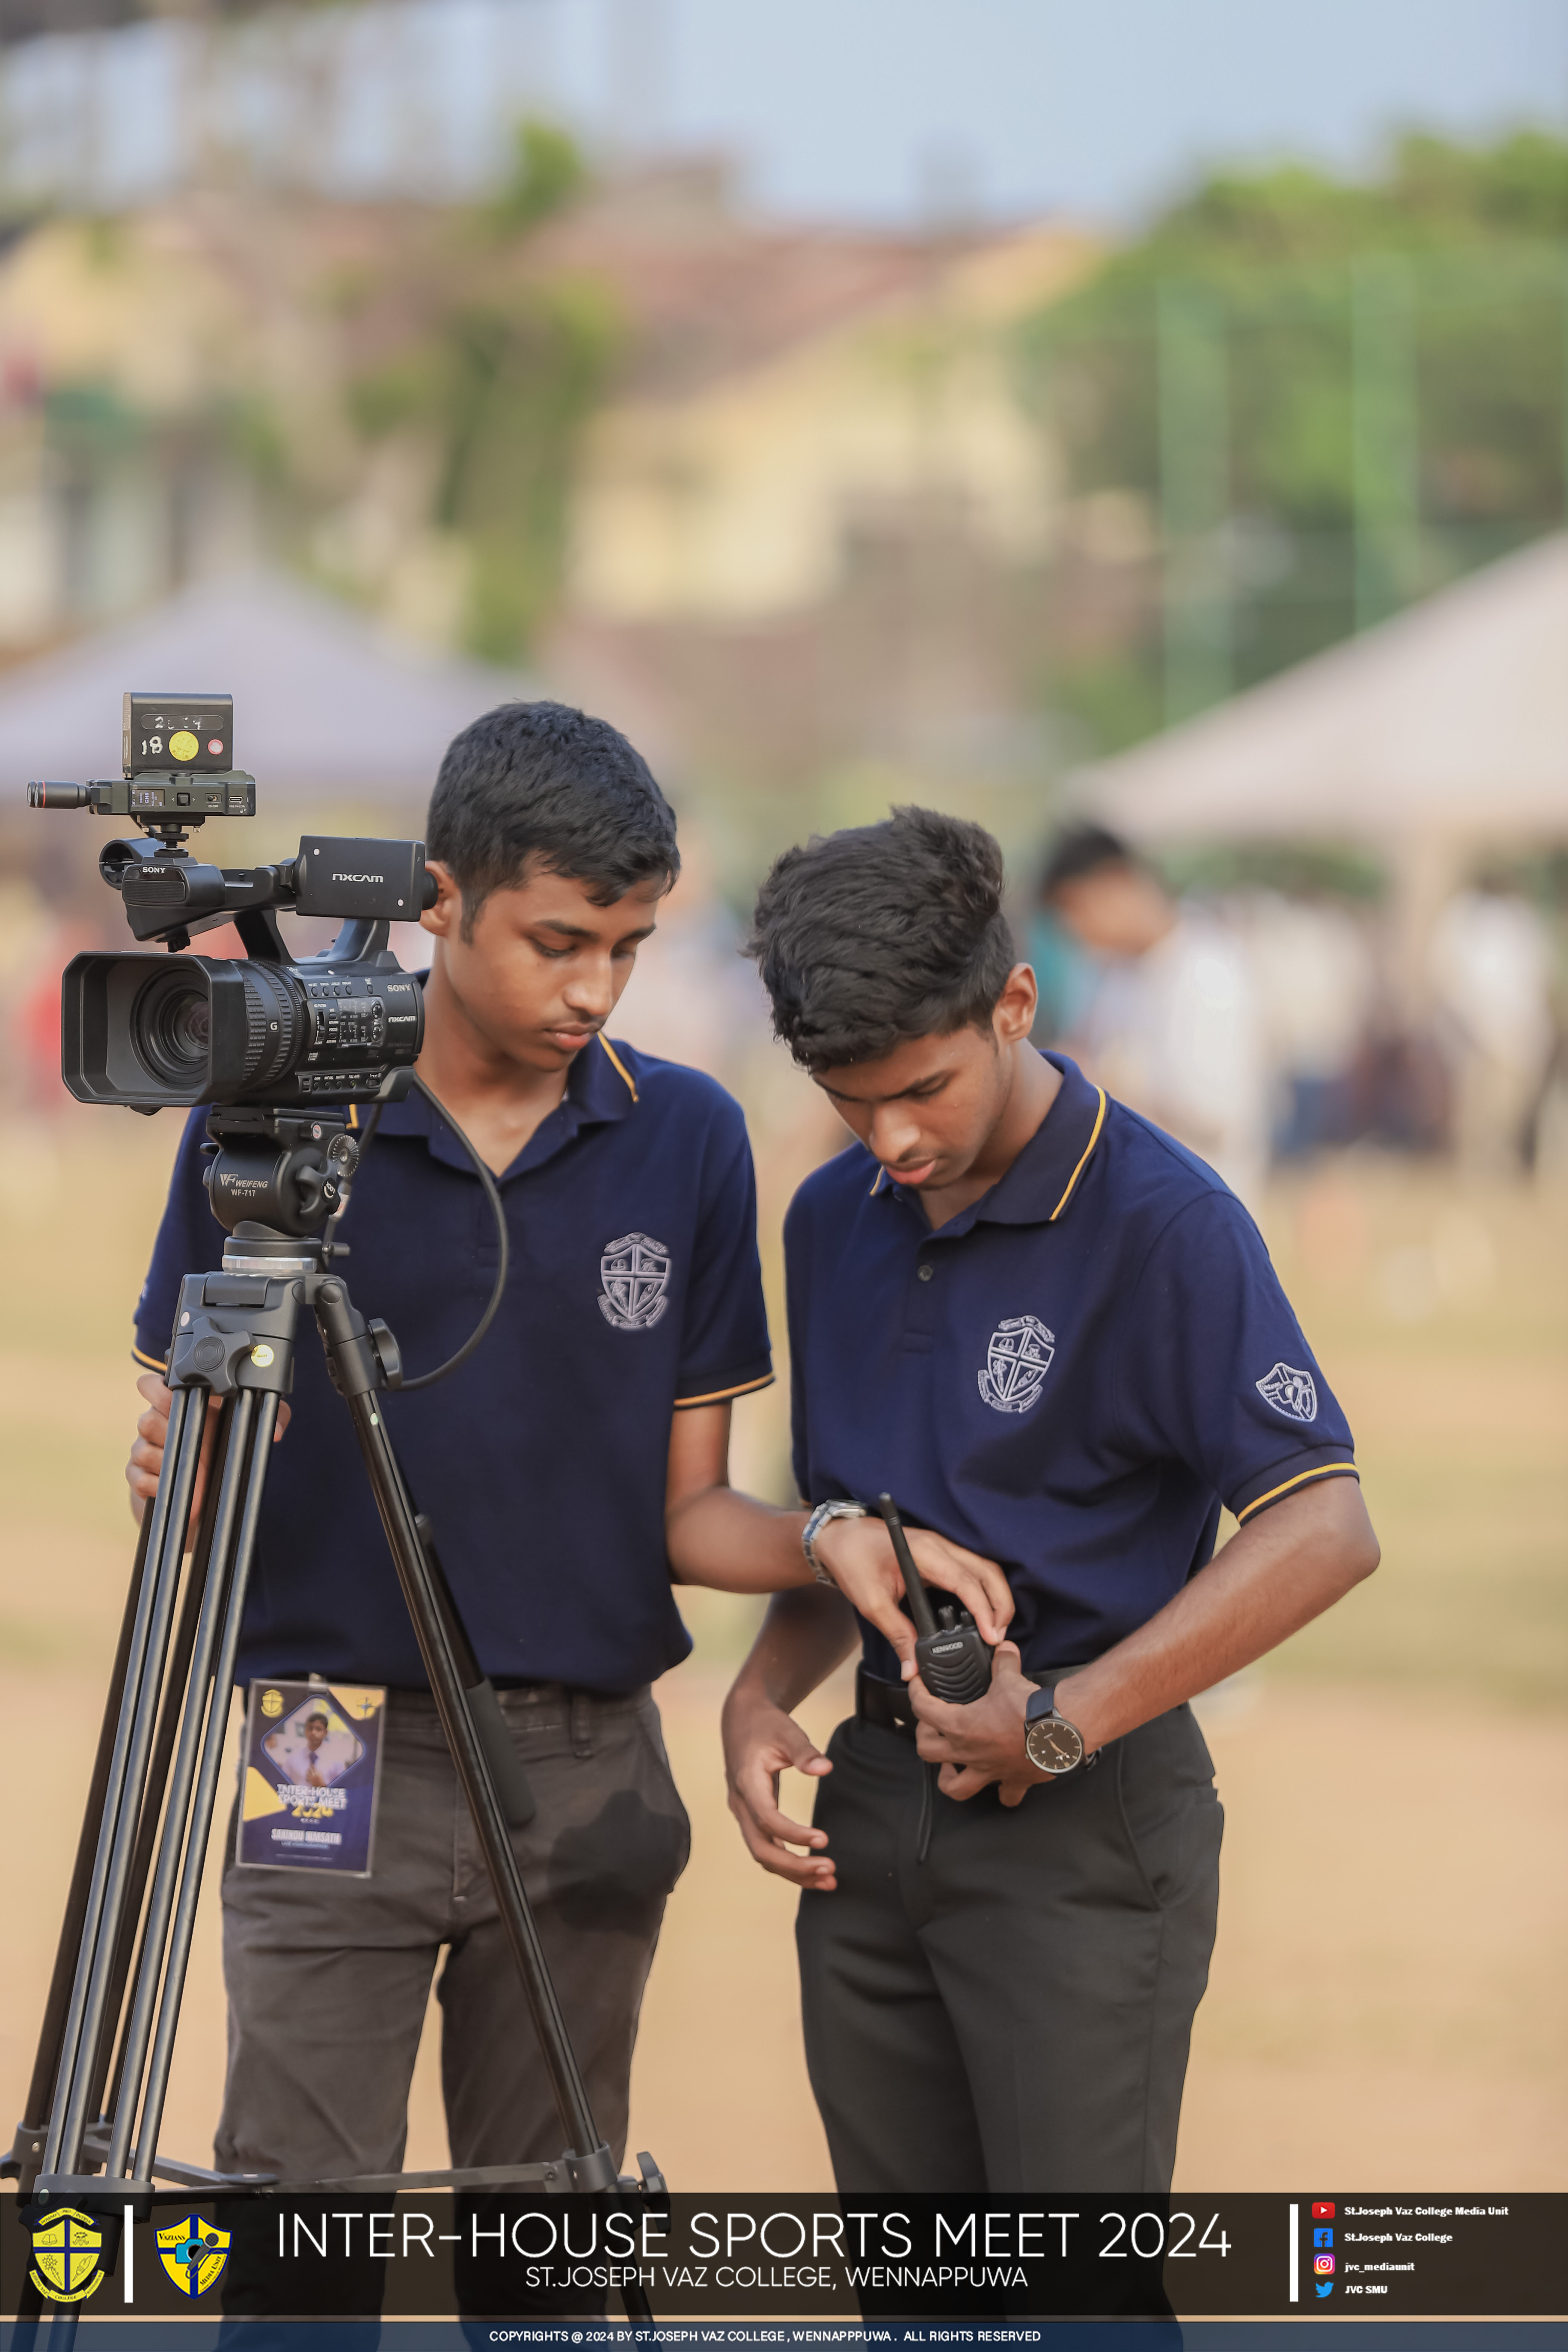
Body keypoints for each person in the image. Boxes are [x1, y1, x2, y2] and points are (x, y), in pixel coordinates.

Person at [127, 700, 912, 2188]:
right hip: (323, 1750)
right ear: (438, 899)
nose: (595, 990)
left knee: (544, 2251)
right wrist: (174, 1466)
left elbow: (693, 1510)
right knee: (296, 2234)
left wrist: (821, 1539)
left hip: (586, 1766)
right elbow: (188, 1454)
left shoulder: (682, 1139)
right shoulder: (280, 1110)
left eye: (627, 946)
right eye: (558, 943)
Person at [719, 806, 1380, 2193]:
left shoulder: (1164, 1221)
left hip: (1081, 1812)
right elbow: (851, 1520)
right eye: (850, 1096)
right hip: (873, 1806)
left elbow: (1326, 1524)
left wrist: (1063, 1726)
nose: (890, 1135)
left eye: (926, 1088)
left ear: (1016, 1002)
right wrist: (763, 1683)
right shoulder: (829, 1218)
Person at [1040, 823, 1268, 1207]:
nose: (1078, 932)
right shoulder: (1111, 976)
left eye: (1079, 909)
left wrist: (1099, 1089)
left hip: (1199, 1210)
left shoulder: (1206, 972)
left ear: (1117, 884)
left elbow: (1215, 1117)